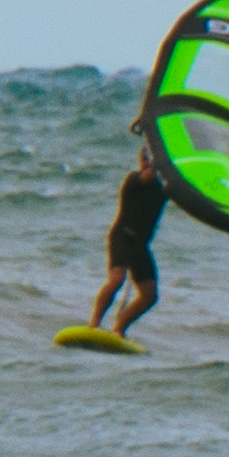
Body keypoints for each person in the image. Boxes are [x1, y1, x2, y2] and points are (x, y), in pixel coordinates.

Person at [92, 138, 167, 333]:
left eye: (151, 161)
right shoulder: (133, 180)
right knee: (117, 278)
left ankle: (119, 328)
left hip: (140, 245)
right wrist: (157, 161)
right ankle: (93, 323)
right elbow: (147, 177)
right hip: (123, 237)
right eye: (146, 160)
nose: (148, 164)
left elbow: (185, 192)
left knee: (149, 296)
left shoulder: (163, 189)